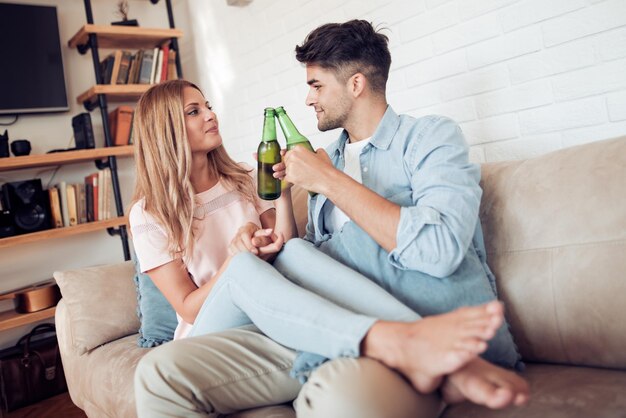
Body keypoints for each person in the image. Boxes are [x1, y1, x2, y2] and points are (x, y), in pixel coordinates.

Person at [130, 79, 507, 418]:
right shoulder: (149, 214)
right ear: (167, 131)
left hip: (267, 309)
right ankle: (401, 339)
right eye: (194, 112)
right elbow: (188, 308)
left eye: (207, 105)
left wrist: (281, 199)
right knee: (246, 269)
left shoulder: (242, 178)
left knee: (295, 253)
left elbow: (285, 246)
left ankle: (425, 345)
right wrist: (236, 258)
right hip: (209, 330)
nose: (210, 115)